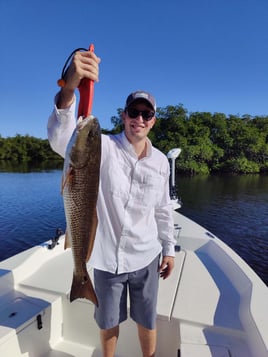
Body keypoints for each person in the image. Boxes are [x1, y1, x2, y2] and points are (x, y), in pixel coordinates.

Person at [47, 49, 176, 357]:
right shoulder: (101, 146)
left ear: (153, 121)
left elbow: (163, 209)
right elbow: (61, 136)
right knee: (108, 322)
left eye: (146, 114)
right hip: (106, 260)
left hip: (146, 257)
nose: (139, 119)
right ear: (124, 116)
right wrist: (69, 89)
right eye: (134, 112)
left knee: (147, 320)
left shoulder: (160, 162)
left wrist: (169, 250)